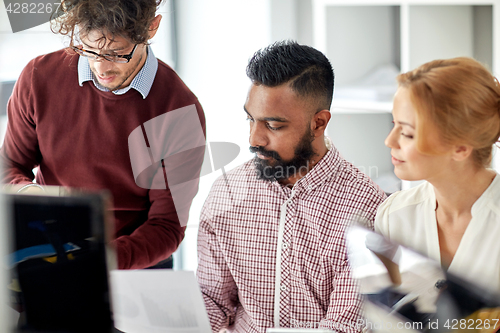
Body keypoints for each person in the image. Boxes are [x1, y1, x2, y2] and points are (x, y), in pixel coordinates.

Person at [197, 40, 387, 333]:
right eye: (250, 119)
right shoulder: (226, 192)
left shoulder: (365, 206)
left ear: (318, 123)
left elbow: (344, 325)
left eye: (273, 125)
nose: (254, 139)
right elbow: (213, 300)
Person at [0, 0, 206, 270]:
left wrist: (96, 261)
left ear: (152, 28)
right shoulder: (39, 78)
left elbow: (166, 227)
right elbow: (11, 165)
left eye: (117, 54)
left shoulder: (179, 110)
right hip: (45, 250)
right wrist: (31, 195)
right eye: (88, 49)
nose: (101, 68)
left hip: (135, 262)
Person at [375, 57, 500, 291]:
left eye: (408, 134)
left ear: (460, 148)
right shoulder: (394, 216)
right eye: (394, 124)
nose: (389, 141)